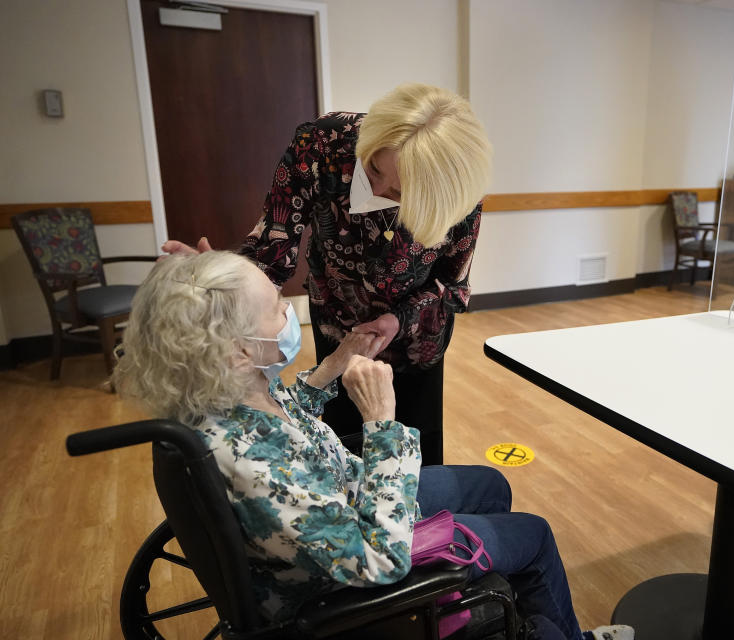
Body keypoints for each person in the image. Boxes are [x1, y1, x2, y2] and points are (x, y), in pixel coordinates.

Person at [112, 251, 633, 640]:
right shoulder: (254, 466)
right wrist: (382, 421)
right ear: (236, 353)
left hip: (346, 500)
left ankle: (504, 608)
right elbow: (378, 560)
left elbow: (288, 419)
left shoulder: (226, 397)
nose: (288, 313)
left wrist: (338, 359)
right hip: (356, 566)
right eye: (276, 308)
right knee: (535, 536)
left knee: (492, 484)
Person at [162, 83, 494, 467]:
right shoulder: (323, 144)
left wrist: (396, 320)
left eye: (400, 192)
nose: (377, 188)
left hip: (417, 336)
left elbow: (451, 288)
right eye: (373, 168)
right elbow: (273, 245)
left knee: (412, 451)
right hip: (338, 325)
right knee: (338, 444)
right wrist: (219, 277)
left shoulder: (458, 189)